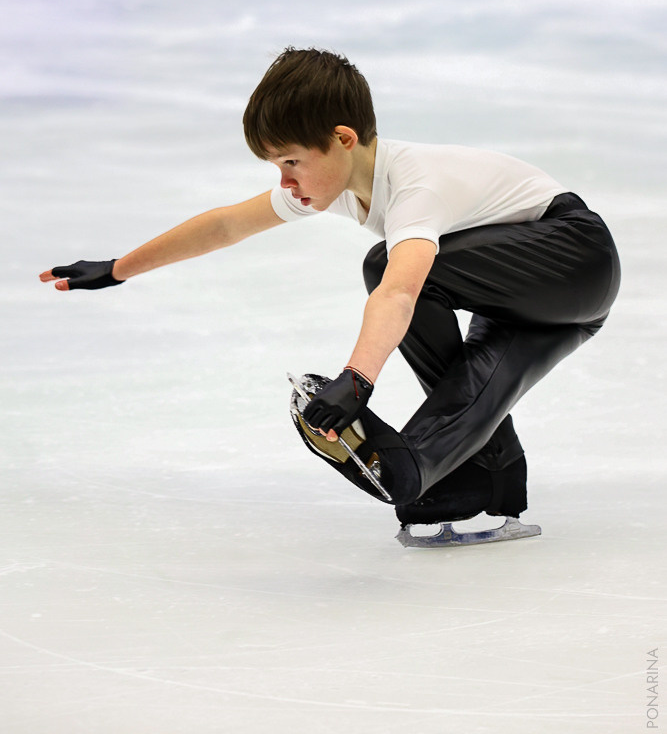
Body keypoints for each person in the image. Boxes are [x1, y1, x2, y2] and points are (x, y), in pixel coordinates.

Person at [40, 47, 621, 529]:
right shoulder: (336, 181)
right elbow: (225, 225)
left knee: (388, 267)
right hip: (528, 295)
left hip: (573, 257)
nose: (285, 181)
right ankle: (467, 471)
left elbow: (399, 290)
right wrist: (119, 268)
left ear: (343, 138)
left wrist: (356, 382)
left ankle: (443, 459)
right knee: (480, 368)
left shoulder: (415, 186)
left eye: (291, 161)